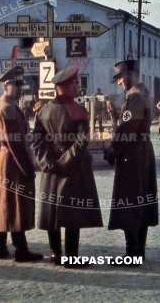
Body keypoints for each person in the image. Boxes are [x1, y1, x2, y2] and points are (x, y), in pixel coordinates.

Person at [32, 66, 103, 267]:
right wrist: (64, 162)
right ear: (70, 85)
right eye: (76, 84)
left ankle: (55, 254)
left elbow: (36, 140)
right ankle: (71, 257)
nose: (78, 88)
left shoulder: (43, 110)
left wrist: (47, 162)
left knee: (52, 210)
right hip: (73, 167)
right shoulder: (78, 110)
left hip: (51, 168)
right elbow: (81, 142)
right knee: (73, 211)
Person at [103, 60, 158, 265]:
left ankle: (132, 253)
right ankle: (139, 251)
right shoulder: (145, 95)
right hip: (143, 152)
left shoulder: (135, 98)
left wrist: (112, 150)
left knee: (130, 201)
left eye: (120, 77)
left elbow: (127, 128)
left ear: (131, 75)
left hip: (131, 155)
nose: (118, 82)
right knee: (141, 199)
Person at [0, 66, 43, 262]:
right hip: (13, 161)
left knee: (5, 202)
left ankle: (1, 246)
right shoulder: (8, 108)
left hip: (7, 159)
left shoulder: (7, 105)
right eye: (16, 85)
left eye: (21, 84)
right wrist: (27, 169)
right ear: (5, 86)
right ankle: (20, 250)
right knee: (16, 204)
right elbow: (15, 143)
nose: (20, 88)